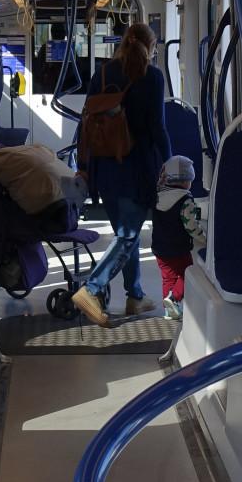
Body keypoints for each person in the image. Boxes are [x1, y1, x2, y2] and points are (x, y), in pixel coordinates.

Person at [71, 21, 170, 325]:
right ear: (151, 47)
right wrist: (170, 164)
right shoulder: (152, 76)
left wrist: (83, 166)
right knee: (127, 236)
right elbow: (157, 128)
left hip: (104, 168)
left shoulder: (102, 74)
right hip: (136, 168)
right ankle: (92, 289)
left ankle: (135, 296)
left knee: (125, 234)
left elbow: (86, 124)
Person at [151, 155, 206, 319]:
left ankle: (169, 311)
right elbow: (191, 226)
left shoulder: (158, 196)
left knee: (168, 278)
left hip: (159, 248)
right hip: (179, 248)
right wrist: (205, 239)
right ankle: (174, 298)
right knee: (187, 273)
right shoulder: (185, 200)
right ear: (184, 181)